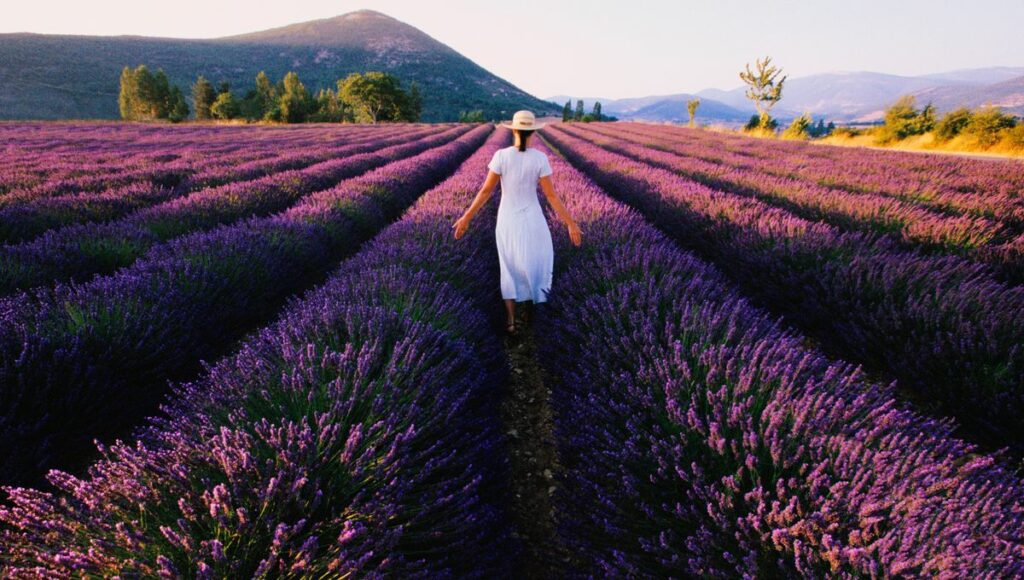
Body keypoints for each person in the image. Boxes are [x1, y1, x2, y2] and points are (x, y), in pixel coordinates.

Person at [452, 110, 583, 336]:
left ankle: (511, 322)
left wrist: (467, 217)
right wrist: (570, 223)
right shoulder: (540, 159)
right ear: (532, 132)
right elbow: (551, 197)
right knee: (534, 265)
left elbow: (485, 192)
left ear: (513, 130)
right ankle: (529, 317)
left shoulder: (502, 156)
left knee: (509, 266)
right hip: (533, 219)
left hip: (508, 219)